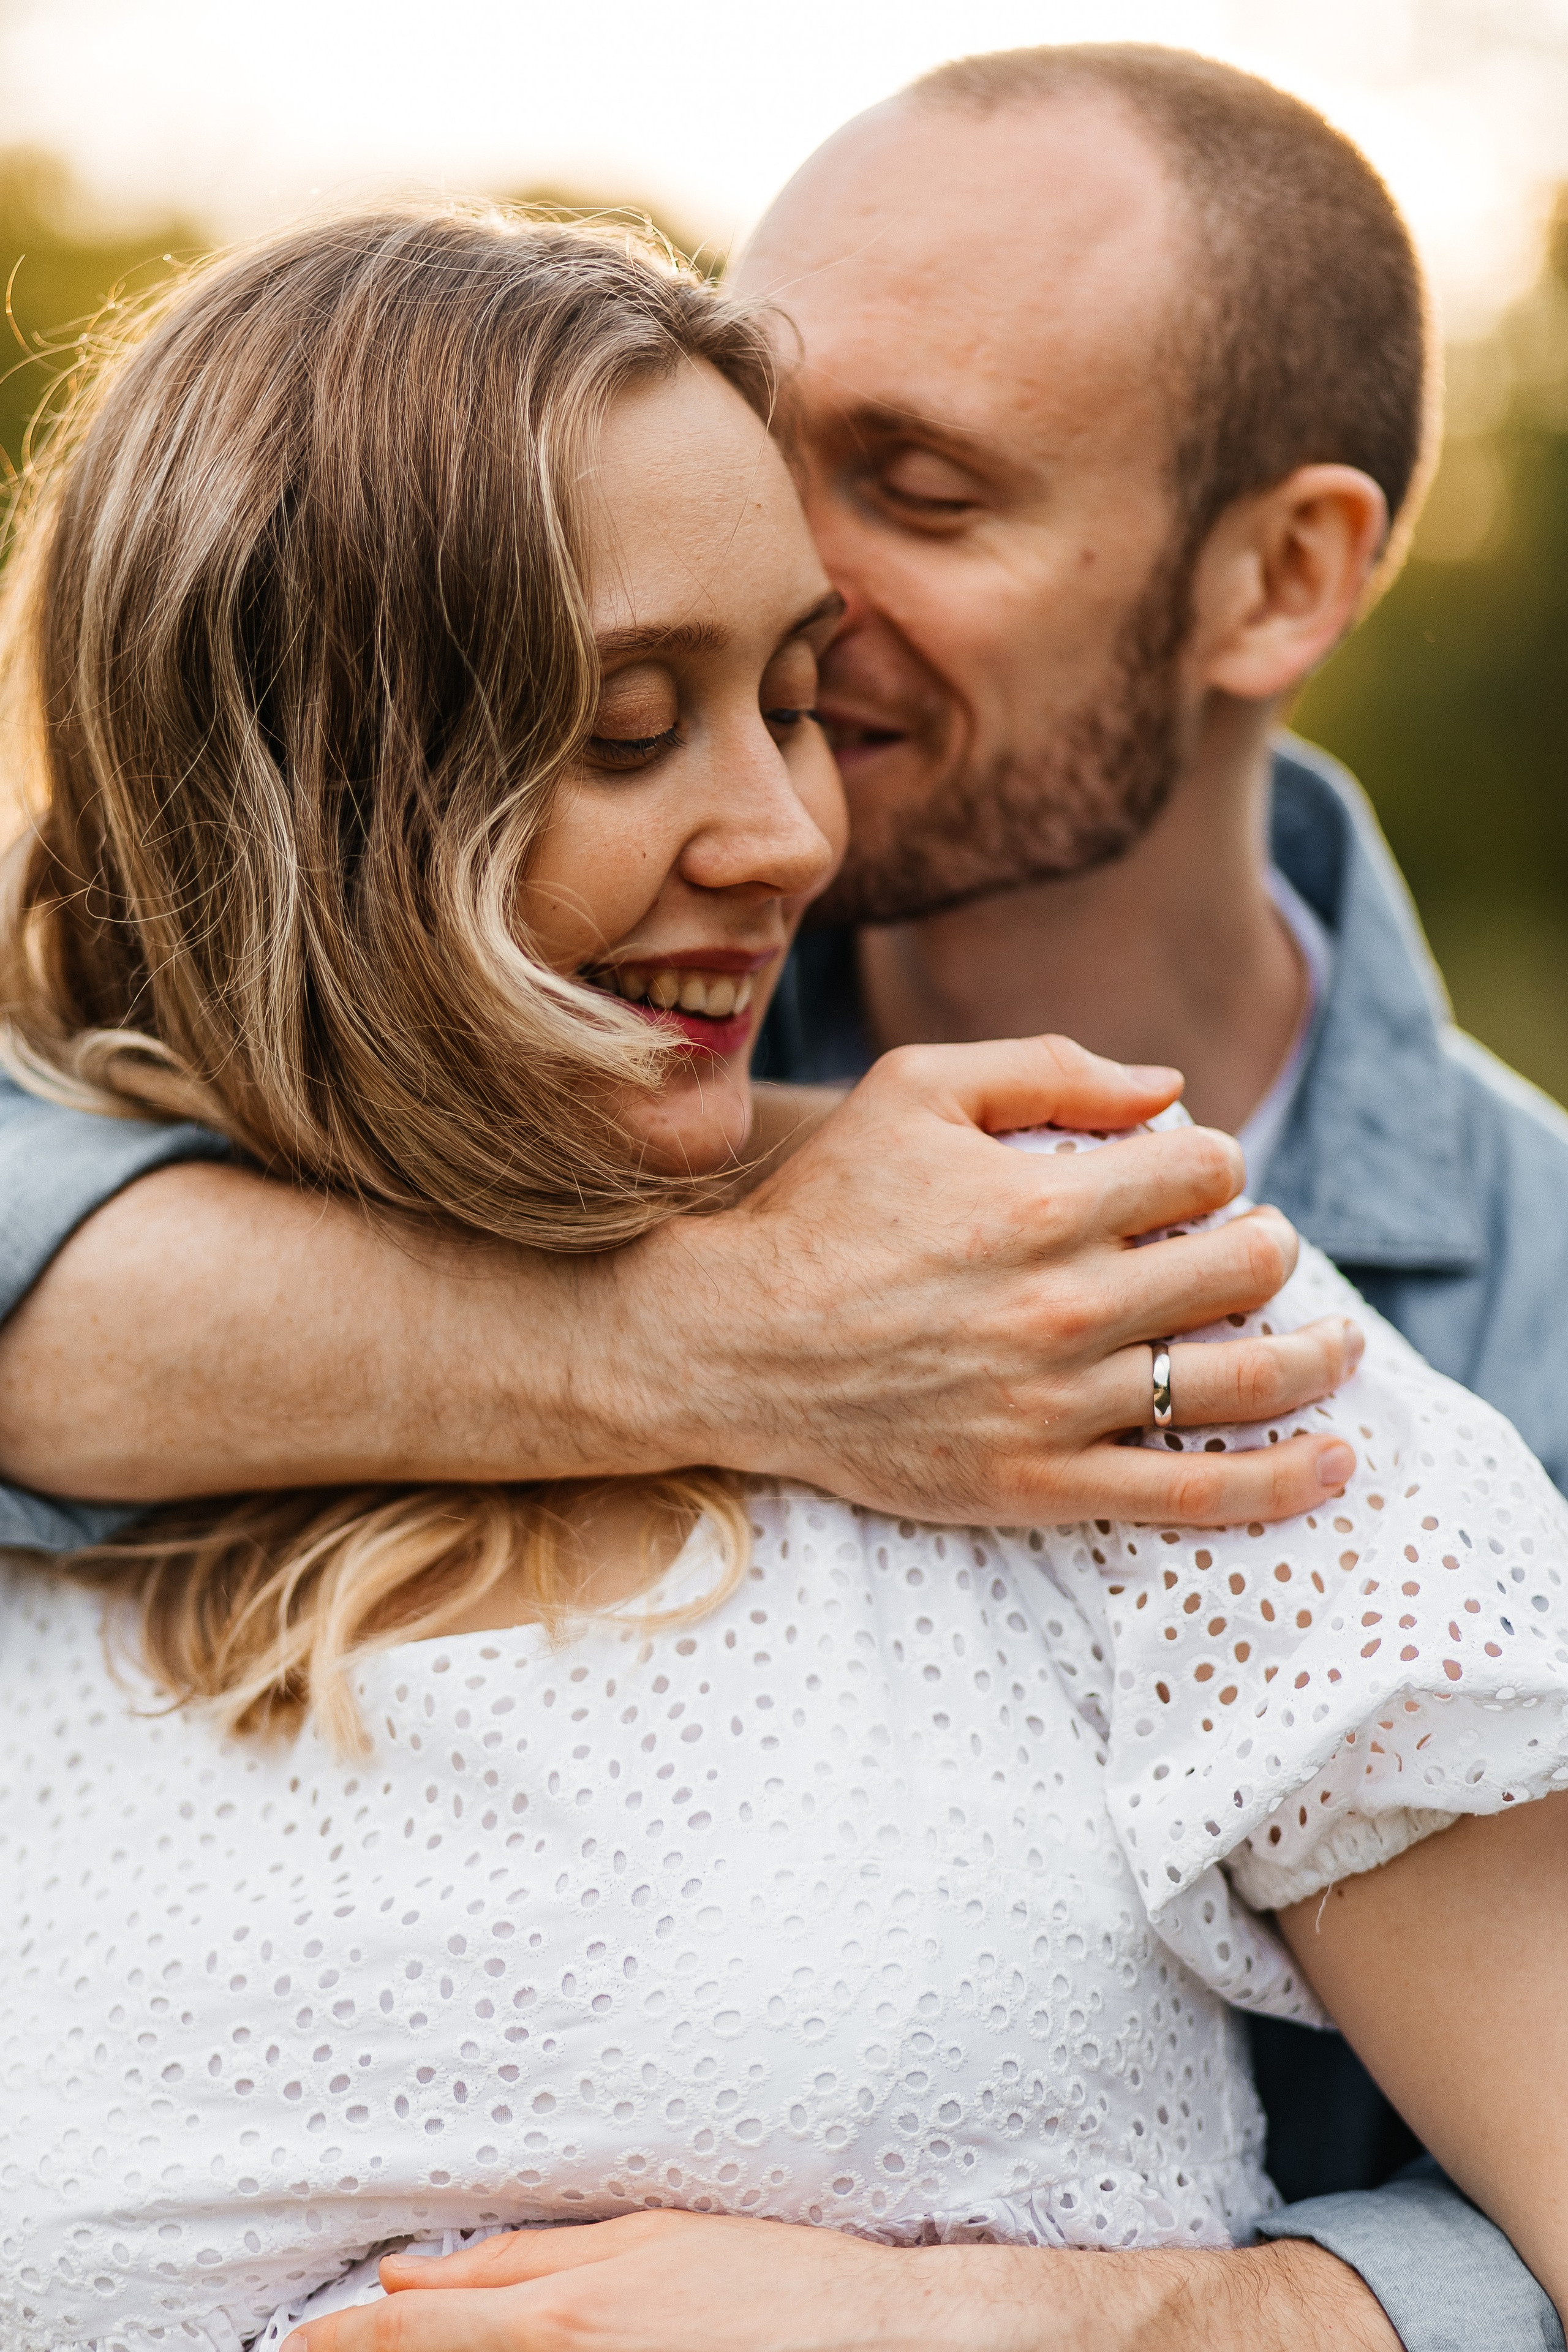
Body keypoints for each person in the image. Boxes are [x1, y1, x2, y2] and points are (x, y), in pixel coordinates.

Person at [2, 40, 1568, 2352]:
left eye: (913, 486)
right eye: (635, 705)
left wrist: (1089, 2325)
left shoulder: (1291, 1335)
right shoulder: (193, 1199)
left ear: (1285, 574)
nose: (784, 806)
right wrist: (716, 1333)